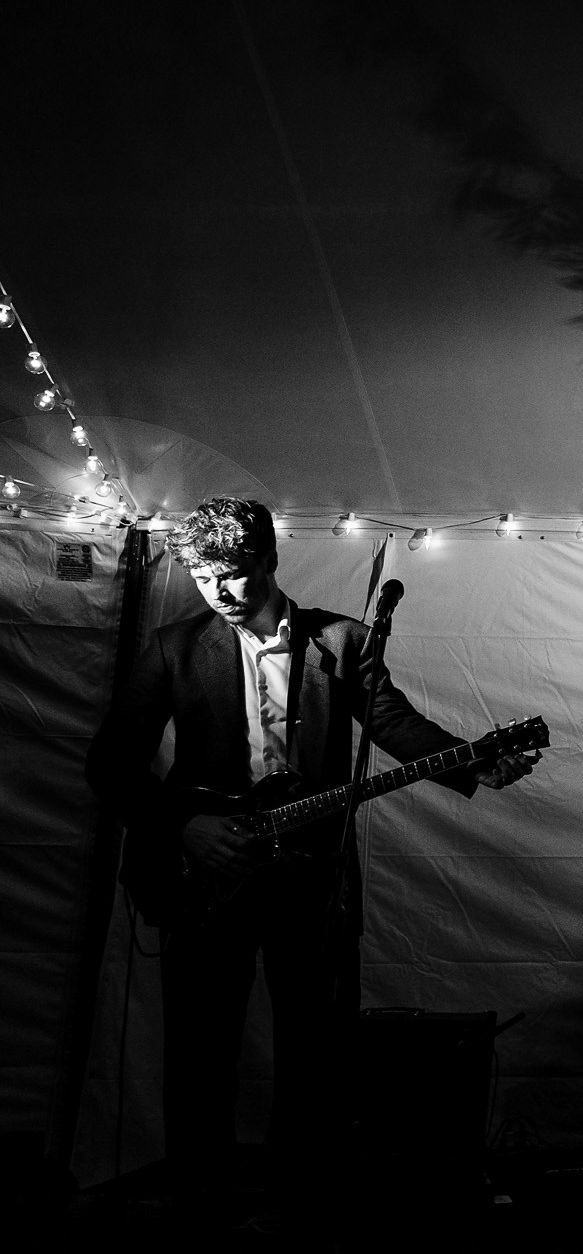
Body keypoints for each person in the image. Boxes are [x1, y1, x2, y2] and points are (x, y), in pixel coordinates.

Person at [85, 497, 538, 1211]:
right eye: (205, 578)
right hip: (209, 870)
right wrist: (185, 827)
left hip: (312, 876)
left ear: (269, 559)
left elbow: (396, 725)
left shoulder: (344, 641)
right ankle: (197, 1207)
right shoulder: (175, 646)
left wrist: (473, 764)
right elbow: (111, 763)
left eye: (234, 573)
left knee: (317, 1051)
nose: (221, 591)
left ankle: (304, 1209)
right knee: (201, 1051)